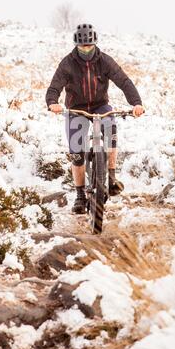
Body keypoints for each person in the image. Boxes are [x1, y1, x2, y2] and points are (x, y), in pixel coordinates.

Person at [46, 23, 144, 213]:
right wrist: (52, 102)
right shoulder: (67, 63)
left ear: (95, 43)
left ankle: (112, 177)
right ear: (76, 45)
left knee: (111, 127)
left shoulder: (104, 60)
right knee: (77, 152)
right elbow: (54, 87)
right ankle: (80, 195)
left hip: (100, 106)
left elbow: (124, 81)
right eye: (82, 46)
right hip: (76, 109)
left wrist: (136, 103)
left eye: (89, 45)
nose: (86, 49)